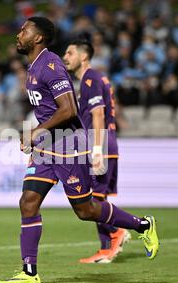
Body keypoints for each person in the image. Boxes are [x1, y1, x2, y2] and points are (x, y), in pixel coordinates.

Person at [0, 17, 159, 283]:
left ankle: (143, 225)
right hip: (48, 148)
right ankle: (29, 272)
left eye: (25, 30)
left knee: (85, 210)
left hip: (69, 146)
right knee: (27, 202)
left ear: (38, 38)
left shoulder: (50, 66)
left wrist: (37, 132)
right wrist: (38, 139)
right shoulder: (34, 67)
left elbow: (69, 109)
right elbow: (50, 111)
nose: (19, 33)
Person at [63, 39, 129, 264]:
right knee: (98, 198)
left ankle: (116, 231)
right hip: (107, 141)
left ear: (83, 56)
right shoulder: (98, 78)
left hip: (99, 143)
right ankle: (106, 249)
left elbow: (98, 114)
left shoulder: (90, 78)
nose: (65, 57)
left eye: (69, 53)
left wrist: (97, 150)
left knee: (92, 202)